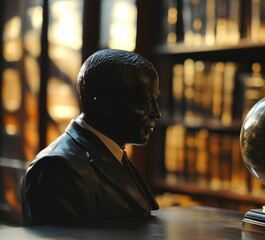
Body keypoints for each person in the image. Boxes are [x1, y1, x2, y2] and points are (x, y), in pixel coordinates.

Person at [21, 49, 161, 226]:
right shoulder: (55, 168)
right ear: (103, 104)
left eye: (155, 100)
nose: (157, 113)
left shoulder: (112, 152)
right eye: (145, 102)